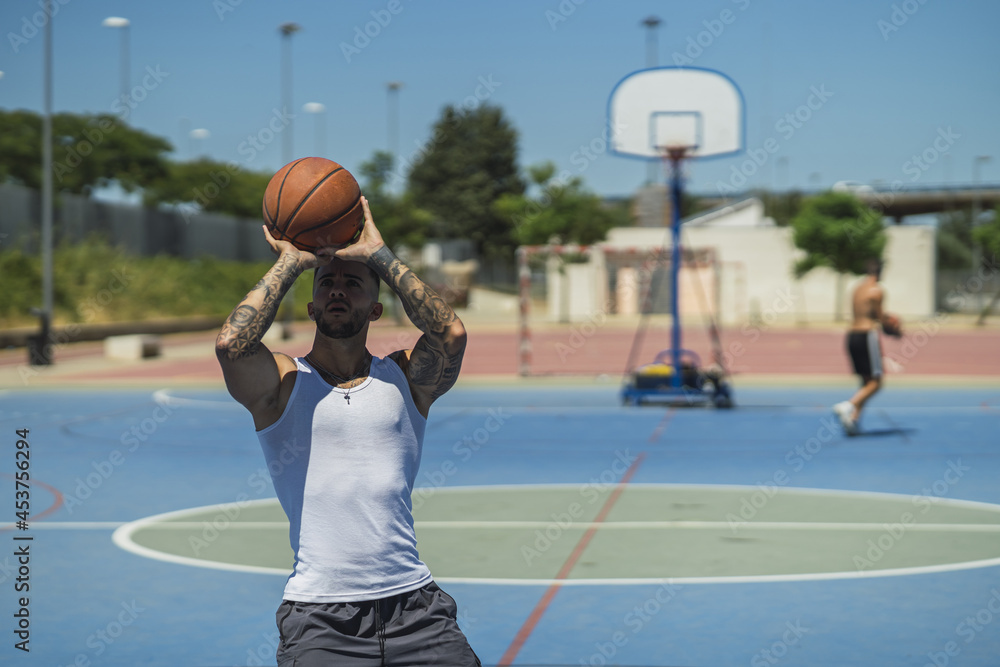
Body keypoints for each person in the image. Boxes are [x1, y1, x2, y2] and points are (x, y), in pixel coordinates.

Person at [216, 197, 480, 666]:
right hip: (321, 618)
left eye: (353, 284)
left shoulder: (404, 379)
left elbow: (451, 336)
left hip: (416, 608)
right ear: (314, 306)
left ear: (376, 309)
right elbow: (233, 344)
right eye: (327, 284)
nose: (338, 290)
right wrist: (291, 263)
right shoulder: (284, 383)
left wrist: (378, 254)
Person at [832, 258, 896, 436]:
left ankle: (853, 420)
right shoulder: (877, 291)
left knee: (865, 382)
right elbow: (881, 318)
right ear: (880, 272)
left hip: (852, 335)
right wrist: (894, 328)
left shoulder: (857, 288)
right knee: (876, 383)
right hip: (867, 335)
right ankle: (848, 406)